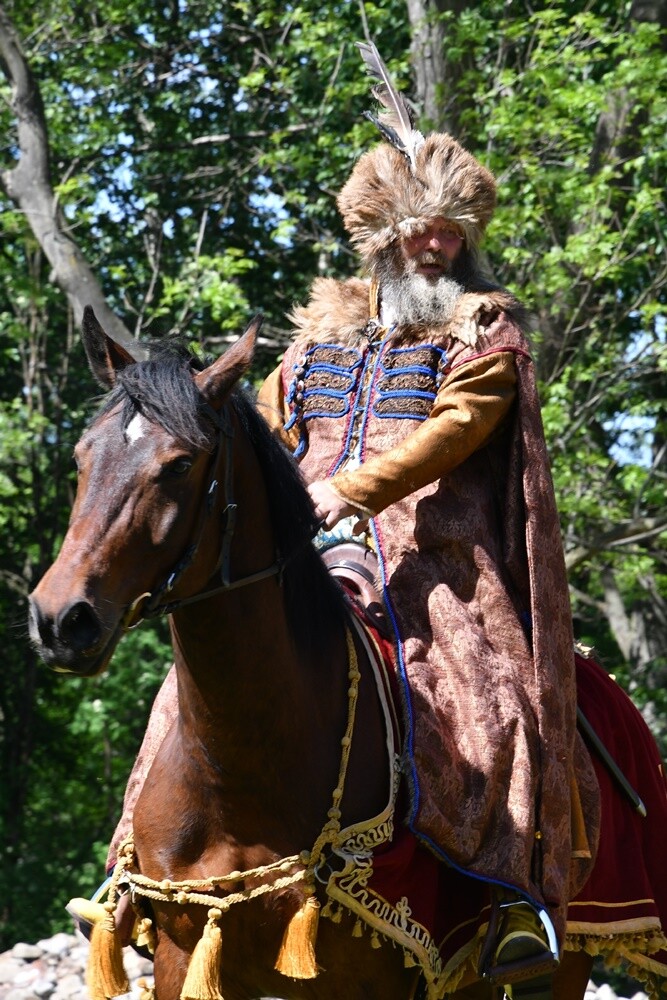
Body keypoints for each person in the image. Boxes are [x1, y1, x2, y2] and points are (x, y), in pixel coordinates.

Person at [70, 45, 601, 999]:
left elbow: (457, 427)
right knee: (184, 689)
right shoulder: (315, 337)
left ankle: (512, 897)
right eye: (415, 232)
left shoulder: (484, 329)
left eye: (448, 232)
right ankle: (139, 868)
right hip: (302, 547)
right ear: (380, 239)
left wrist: (353, 490)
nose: (433, 247)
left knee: (489, 697)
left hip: (439, 559)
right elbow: (264, 427)